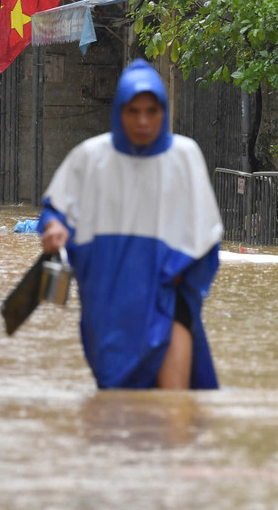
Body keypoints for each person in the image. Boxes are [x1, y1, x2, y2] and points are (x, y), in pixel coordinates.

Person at [38, 59, 223, 390]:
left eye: (152, 111)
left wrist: (177, 273)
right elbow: (55, 209)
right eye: (133, 111)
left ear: (164, 111)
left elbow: (207, 235)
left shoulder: (185, 156)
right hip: (109, 305)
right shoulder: (89, 157)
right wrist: (53, 228)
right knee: (115, 405)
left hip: (168, 298)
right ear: (119, 112)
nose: (143, 121)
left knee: (173, 407)